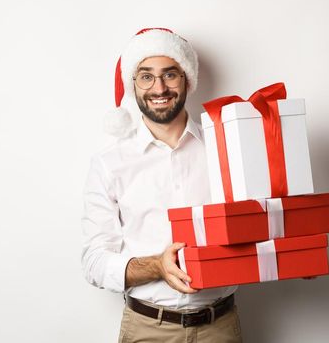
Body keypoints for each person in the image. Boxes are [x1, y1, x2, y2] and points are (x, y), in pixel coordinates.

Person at [81, 28, 242, 343]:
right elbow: (94, 262)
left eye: (170, 74)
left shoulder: (226, 148)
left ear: (187, 80)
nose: (159, 87)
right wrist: (156, 266)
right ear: (134, 84)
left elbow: (255, 222)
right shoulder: (109, 163)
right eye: (146, 77)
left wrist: (294, 253)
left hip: (220, 328)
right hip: (147, 329)